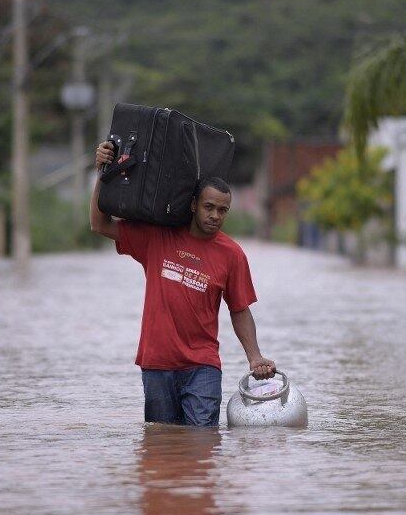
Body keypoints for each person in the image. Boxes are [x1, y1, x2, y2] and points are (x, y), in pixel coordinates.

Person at [91, 140, 276, 427]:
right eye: (209, 207)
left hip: (203, 367)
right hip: (156, 364)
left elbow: (239, 309)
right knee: (162, 448)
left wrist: (254, 357)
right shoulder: (157, 237)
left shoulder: (232, 254)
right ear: (193, 205)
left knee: (202, 444)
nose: (215, 216)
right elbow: (100, 225)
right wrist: (103, 173)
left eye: (222, 210)